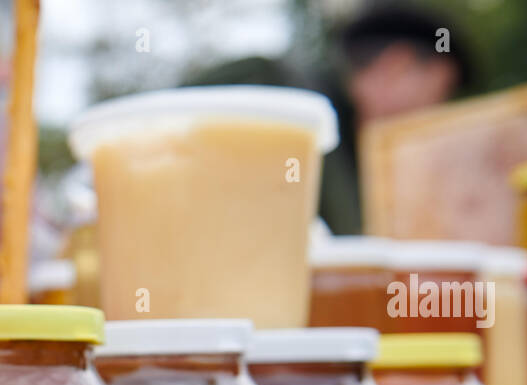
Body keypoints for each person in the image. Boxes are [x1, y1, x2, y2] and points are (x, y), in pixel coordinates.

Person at [183, 2, 475, 234]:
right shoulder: (268, 92)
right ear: (396, 67)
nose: (438, 113)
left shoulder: (359, 153)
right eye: (441, 93)